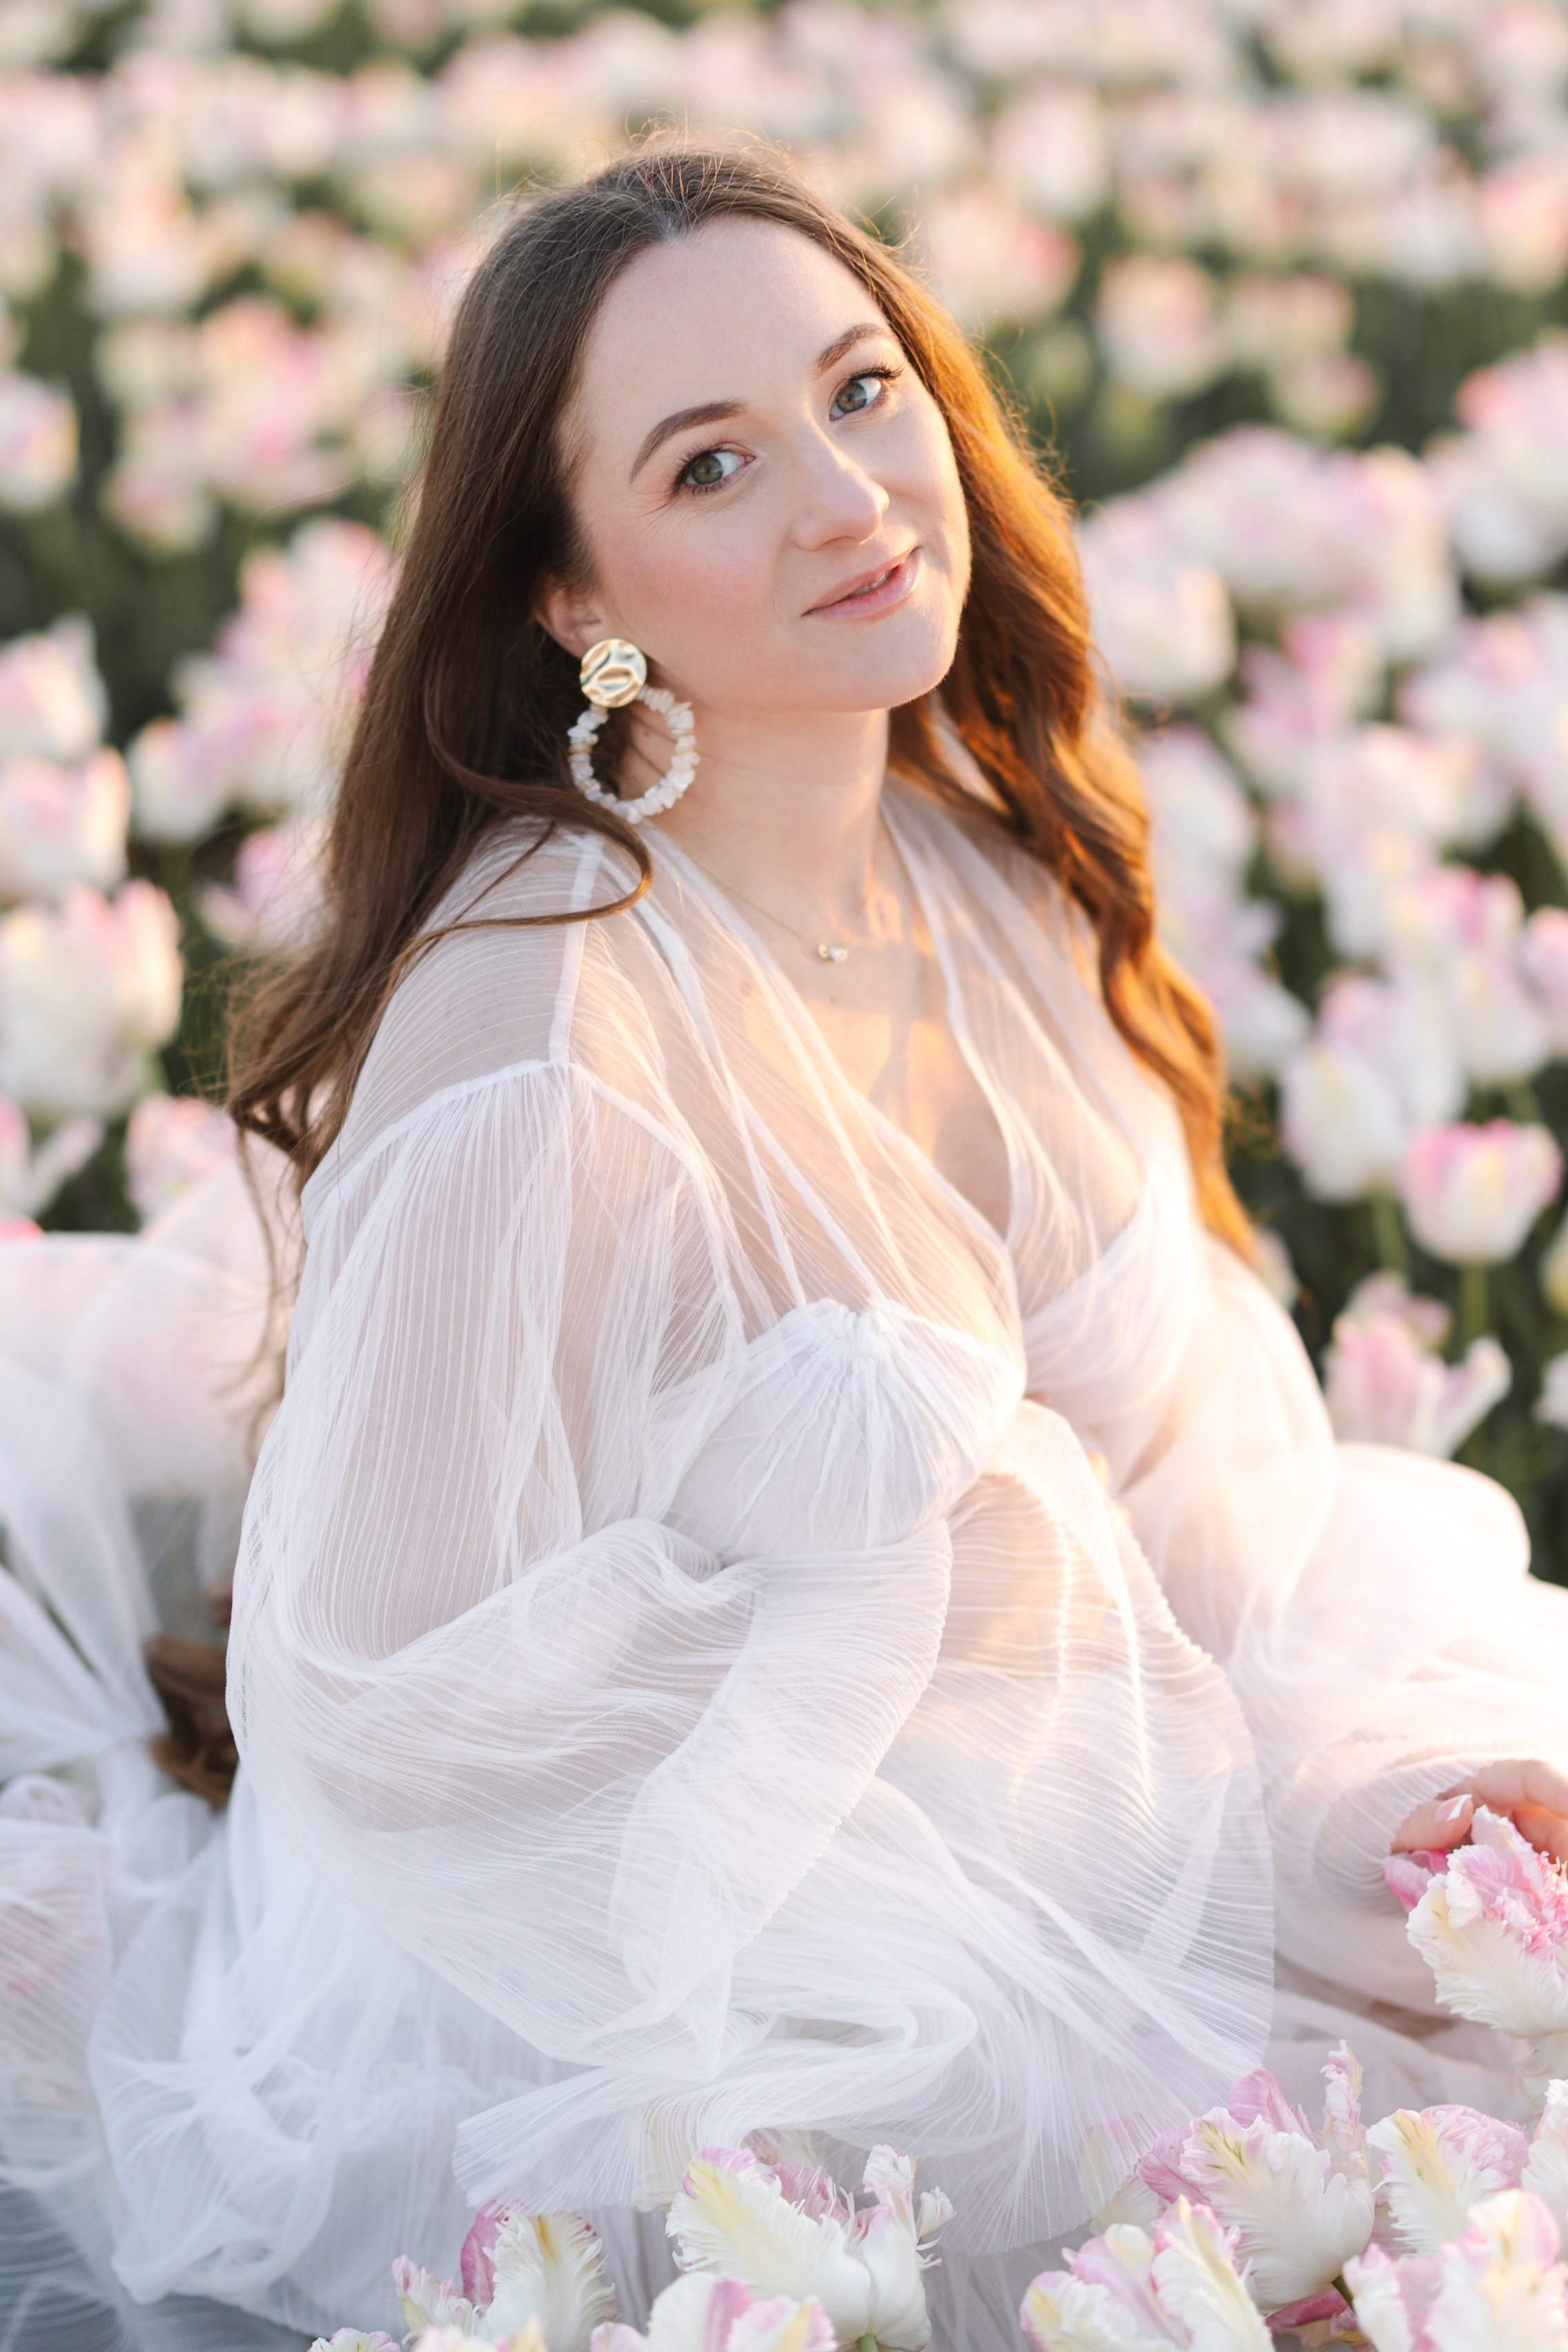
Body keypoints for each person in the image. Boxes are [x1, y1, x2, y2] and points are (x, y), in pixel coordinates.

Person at [2, 143, 1567, 2352]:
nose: (846, 497)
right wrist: (893, 1578)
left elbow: (1208, 1533)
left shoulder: (990, 877)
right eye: (714, 463)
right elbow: (376, 1704)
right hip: (715, 2011)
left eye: (862, 391)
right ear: (572, 597)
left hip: (1122, 1872)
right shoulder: (539, 1028)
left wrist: (1353, 1821)